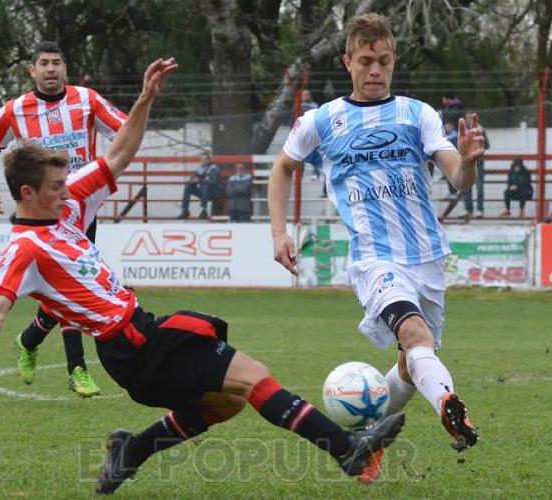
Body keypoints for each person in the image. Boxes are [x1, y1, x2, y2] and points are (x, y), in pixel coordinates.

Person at [0, 58, 406, 495]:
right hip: (129, 347)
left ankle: (134, 449)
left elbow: (118, 155)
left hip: (141, 333)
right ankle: (347, 450)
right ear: (27, 193)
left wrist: (145, 100)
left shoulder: (69, 205)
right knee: (252, 377)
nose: (68, 192)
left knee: (226, 403)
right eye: (56, 187)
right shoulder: (23, 249)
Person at [267, 12, 483, 485]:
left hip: (426, 257)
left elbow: (456, 176)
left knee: (410, 363)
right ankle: (450, 404)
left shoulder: (417, 113)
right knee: (415, 337)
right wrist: (279, 231)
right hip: (375, 258)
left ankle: (367, 438)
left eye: (383, 61)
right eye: (366, 61)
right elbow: (283, 168)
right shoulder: (322, 120)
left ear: (393, 60)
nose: (375, 71)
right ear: (348, 61)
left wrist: (466, 164)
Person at [0, 41, 128, 397]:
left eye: (56, 63)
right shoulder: (15, 109)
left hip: (81, 204)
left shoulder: (87, 100)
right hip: (43, 211)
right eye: (43, 63)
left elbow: (123, 130)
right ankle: (76, 368)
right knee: (71, 285)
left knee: (69, 287)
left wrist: (101, 166)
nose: (50, 69)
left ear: (65, 68)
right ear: (32, 70)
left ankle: (29, 339)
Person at [461, 112, 489, 218]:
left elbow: (487, 145)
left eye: (471, 118)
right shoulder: (463, 131)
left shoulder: (481, 130)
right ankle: (468, 210)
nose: (469, 120)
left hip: (478, 163)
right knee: (466, 187)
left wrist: (479, 143)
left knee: (479, 186)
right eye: (467, 118)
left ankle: (479, 210)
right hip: (467, 163)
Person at [177, 151, 221, 219]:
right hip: (203, 191)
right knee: (188, 186)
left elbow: (212, 181)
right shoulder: (199, 168)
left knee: (205, 186)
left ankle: (204, 211)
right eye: (202, 159)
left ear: (209, 160)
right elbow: (195, 178)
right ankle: (185, 210)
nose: (203, 160)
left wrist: (199, 180)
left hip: (213, 192)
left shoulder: (213, 168)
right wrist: (192, 180)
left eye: (205, 159)